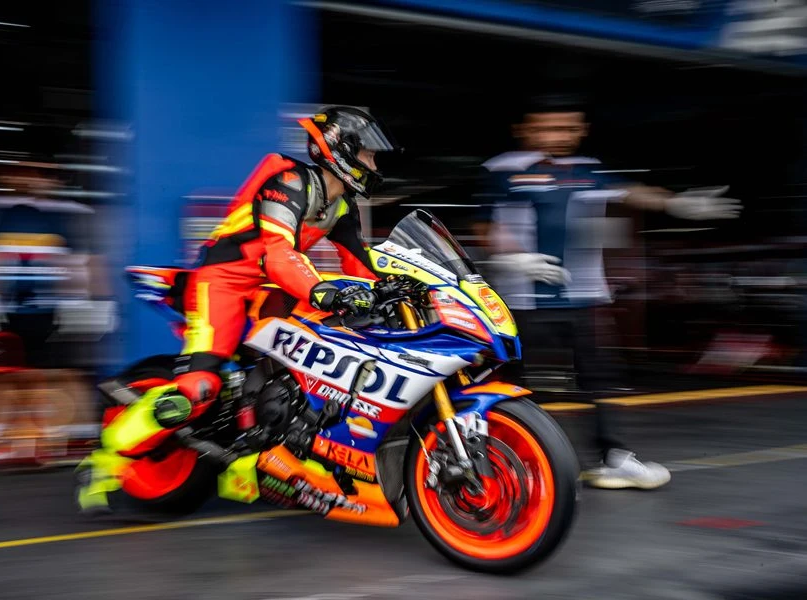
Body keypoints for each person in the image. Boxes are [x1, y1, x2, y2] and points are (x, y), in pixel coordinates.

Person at [76, 105, 398, 513]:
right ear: (341, 149)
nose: (374, 164)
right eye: (369, 154)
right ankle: (106, 459)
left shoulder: (341, 207)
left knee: (328, 347)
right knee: (200, 388)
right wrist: (321, 290)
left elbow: (362, 265)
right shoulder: (289, 183)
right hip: (223, 282)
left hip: (272, 287)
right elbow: (277, 253)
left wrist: (402, 288)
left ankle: (280, 440)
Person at [476, 94, 741, 490]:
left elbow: (632, 192)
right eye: (549, 128)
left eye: (569, 128)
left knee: (600, 379)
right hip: (520, 301)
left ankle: (613, 459)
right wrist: (513, 256)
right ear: (525, 130)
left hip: (582, 297)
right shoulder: (503, 170)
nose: (560, 135)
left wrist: (679, 203)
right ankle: (497, 460)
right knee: (508, 380)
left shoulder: (589, 169)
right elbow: (484, 226)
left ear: (582, 130)